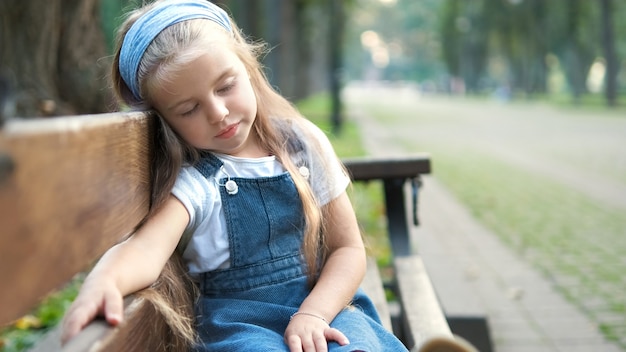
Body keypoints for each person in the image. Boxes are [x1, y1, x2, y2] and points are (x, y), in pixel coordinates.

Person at [60, 1, 409, 351]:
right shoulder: (197, 183)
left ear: (248, 67)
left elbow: (347, 248)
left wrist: (314, 314)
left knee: (353, 346)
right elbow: (147, 248)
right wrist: (104, 279)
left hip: (325, 304)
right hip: (241, 323)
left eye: (226, 86)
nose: (219, 113)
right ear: (166, 121)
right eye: (189, 109)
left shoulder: (302, 145)